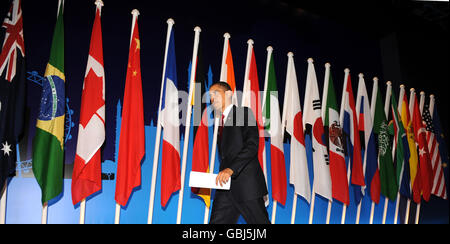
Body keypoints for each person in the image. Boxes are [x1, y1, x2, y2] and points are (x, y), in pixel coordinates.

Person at [208, 81, 270, 224]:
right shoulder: (219, 123)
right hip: (225, 187)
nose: (212, 99)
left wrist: (231, 169)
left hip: (247, 185)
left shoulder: (243, 113)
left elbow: (251, 146)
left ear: (229, 94)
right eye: (210, 95)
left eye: (215, 93)